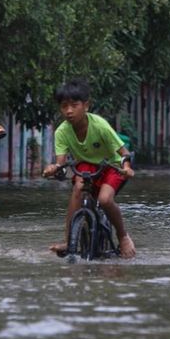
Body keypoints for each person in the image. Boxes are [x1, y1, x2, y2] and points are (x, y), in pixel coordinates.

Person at [42, 78, 136, 258]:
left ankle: (123, 236)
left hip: (111, 165)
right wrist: (53, 169)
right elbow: (61, 163)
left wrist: (126, 167)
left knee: (105, 200)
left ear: (86, 105)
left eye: (74, 105)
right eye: (64, 106)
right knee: (78, 188)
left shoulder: (100, 125)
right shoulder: (61, 131)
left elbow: (124, 153)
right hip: (86, 166)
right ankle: (69, 240)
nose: (69, 111)